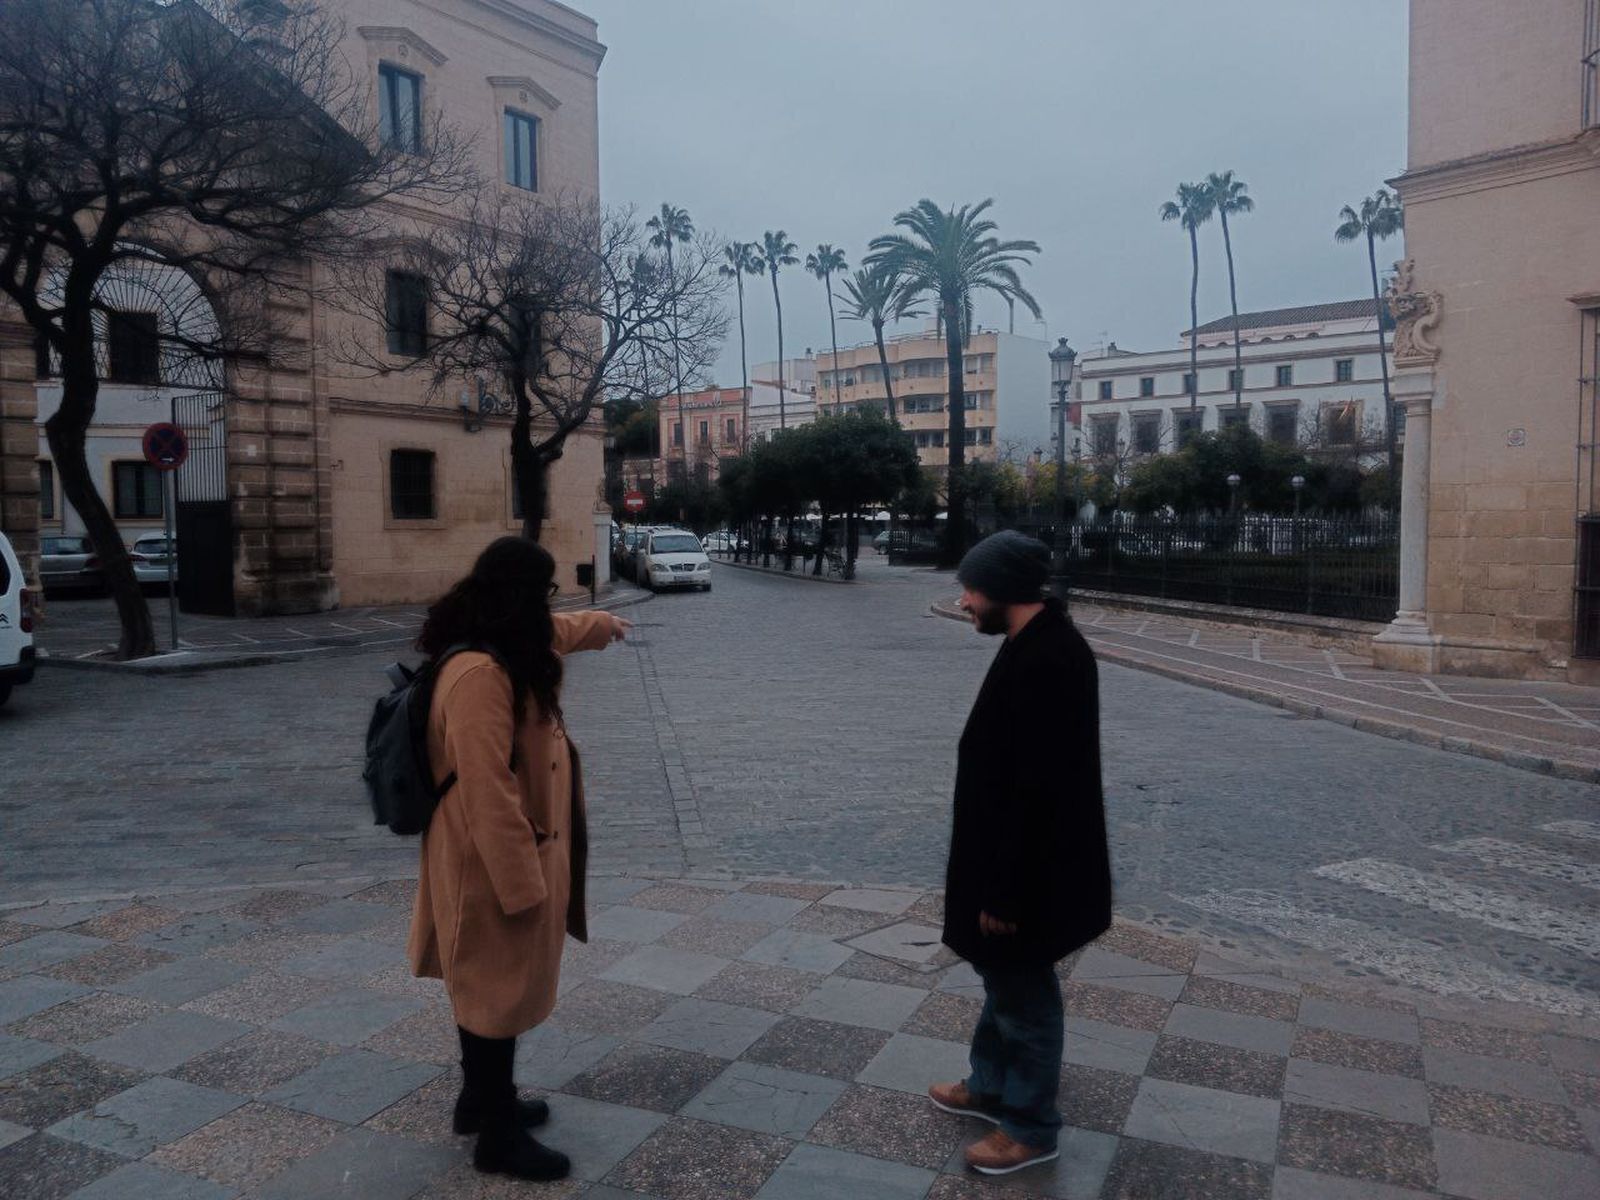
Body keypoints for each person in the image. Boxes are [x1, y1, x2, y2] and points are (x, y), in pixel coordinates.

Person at [406, 537, 630, 1182]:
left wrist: (601, 626)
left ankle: (480, 1101)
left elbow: (554, 633)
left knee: (485, 983)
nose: (547, 609)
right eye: (542, 594)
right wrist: (521, 884)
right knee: (492, 990)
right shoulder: (479, 675)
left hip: (497, 850)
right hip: (488, 858)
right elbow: (487, 790)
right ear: (518, 599)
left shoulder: (502, 642)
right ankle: (496, 1137)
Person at [929, 530, 1112, 1176]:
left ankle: (1032, 1127)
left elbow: (1038, 789)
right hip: (1008, 862)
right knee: (1000, 976)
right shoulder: (1031, 643)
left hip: (1026, 873)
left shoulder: (1050, 660)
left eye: (970, 590)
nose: (964, 603)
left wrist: (1004, 893)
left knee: (1025, 994)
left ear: (1002, 589)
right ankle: (990, 1085)